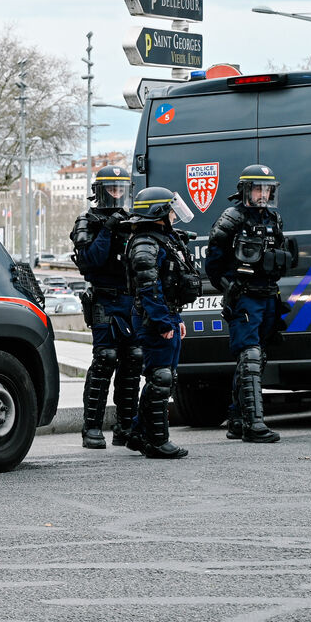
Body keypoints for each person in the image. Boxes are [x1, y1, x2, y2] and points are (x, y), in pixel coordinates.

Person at [205, 164, 295, 444]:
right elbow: (213, 264)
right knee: (250, 355)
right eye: (258, 188)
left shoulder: (273, 218)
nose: (263, 194)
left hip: (268, 295)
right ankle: (254, 425)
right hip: (245, 297)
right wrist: (229, 287)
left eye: (267, 189)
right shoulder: (231, 218)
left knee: (256, 358)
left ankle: (237, 419)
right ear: (245, 190)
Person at [123, 186, 202, 459]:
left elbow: (168, 285)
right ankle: (158, 441)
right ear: (158, 213)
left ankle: (138, 434)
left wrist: (174, 318)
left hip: (166, 314)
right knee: (160, 377)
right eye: (170, 210)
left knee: (164, 377)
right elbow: (148, 289)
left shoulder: (161, 239)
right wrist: (162, 322)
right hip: (153, 317)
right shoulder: (145, 244)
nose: (173, 215)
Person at [68, 166, 141, 449]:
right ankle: (92, 428)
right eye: (112, 188)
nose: (117, 194)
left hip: (129, 299)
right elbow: (91, 260)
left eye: (121, 189)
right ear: (100, 191)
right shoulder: (87, 221)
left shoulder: (132, 220)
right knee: (105, 358)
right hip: (104, 299)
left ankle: (125, 427)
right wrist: (108, 229)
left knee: (133, 358)